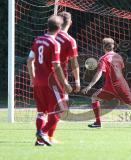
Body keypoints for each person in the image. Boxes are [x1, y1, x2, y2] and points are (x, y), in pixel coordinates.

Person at [82, 38, 131, 130]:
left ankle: (98, 122)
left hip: (111, 87)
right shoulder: (119, 56)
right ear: (113, 46)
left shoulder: (103, 58)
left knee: (94, 97)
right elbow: (120, 69)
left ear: (103, 47)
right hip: (123, 85)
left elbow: (99, 73)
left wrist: (90, 85)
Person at [27, 15, 72, 146]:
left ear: (48, 26)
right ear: (59, 29)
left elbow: (30, 60)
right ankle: (43, 133)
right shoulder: (55, 43)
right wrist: (65, 83)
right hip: (51, 83)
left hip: (38, 82)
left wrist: (32, 78)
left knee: (41, 112)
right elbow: (57, 65)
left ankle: (39, 140)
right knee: (61, 110)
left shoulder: (37, 40)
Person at [46, 11, 80, 144]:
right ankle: (45, 135)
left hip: (43, 76)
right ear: (70, 23)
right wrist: (77, 81)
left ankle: (47, 135)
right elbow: (74, 62)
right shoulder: (70, 40)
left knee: (50, 108)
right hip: (59, 78)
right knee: (61, 109)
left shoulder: (49, 35)